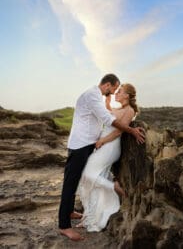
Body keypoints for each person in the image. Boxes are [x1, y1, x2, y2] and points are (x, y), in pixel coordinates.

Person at [58, 74, 145, 241]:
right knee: (71, 181)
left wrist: (105, 139)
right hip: (81, 145)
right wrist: (131, 131)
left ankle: (69, 211)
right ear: (107, 85)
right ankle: (64, 226)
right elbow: (108, 118)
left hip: (92, 144)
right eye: (113, 90)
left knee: (77, 179)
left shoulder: (99, 96)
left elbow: (112, 118)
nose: (113, 94)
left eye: (117, 91)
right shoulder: (92, 96)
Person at [77, 83, 139, 232]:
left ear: (127, 95)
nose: (117, 94)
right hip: (103, 146)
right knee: (91, 182)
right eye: (116, 91)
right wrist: (108, 96)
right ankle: (90, 218)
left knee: (87, 175)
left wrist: (102, 141)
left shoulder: (129, 110)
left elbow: (118, 132)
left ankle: (114, 186)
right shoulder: (118, 109)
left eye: (119, 92)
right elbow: (107, 110)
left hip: (110, 147)